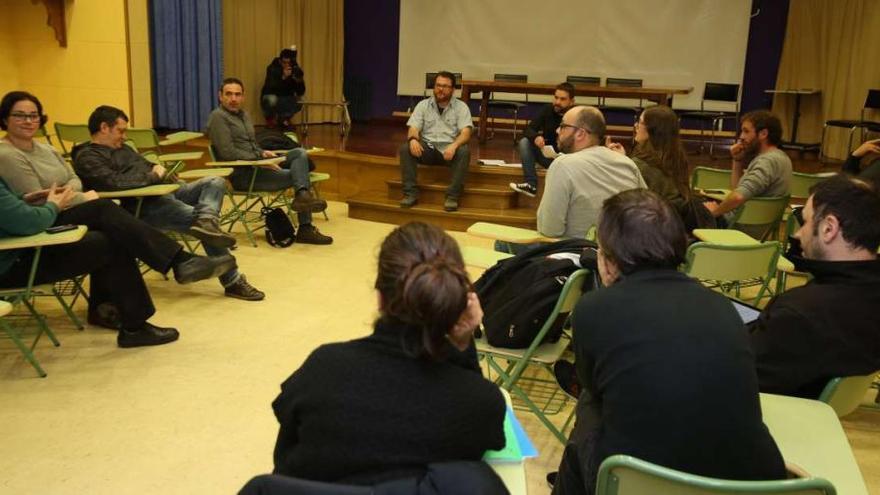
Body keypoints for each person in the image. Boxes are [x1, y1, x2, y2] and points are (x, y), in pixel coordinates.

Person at [553, 189, 785, 495]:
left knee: (588, 402)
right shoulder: (721, 307)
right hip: (747, 483)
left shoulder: (594, 309)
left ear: (608, 262)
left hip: (642, 482)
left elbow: (595, 389)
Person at [271, 222, 505, 484]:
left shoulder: (323, 368)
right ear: (458, 301)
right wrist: (462, 345)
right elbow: (482, 444)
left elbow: (284, 459)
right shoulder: (480, 401)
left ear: (380, 297)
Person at [0, 91, 236, 310]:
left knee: (210, 190)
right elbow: (38, 200)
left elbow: (73, 180)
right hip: (49, 222)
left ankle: (114, 312)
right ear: (5, 119)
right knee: (107, 212)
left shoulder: (48, 149)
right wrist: (79, 196)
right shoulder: (9, 154)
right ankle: (194, 265)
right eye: (20, 115)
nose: (29, 120)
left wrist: (68, 193)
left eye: (33, 115)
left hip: (137, 196)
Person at [72, 105, 265, 301]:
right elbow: (114, 183)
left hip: (165, 191)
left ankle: (207, 220)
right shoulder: (87, 156)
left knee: (214, 181)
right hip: (143, 205)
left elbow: (149, 167)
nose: (124, 137)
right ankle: (232, 280)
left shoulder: (125, 148)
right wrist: (153, 175)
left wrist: (155, 168)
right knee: (195, 218)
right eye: (120, 131)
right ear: (104, 128)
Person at [749, 175, 880, 399]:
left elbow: (735, 378)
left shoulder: (800, 313)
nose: (799, 234)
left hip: (774, 413)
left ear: (829, 228)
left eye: (806, 222)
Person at [206, 77, 332, 245]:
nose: (233, 99)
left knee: (298, 153)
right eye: (229, 94)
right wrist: (259, 161)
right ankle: (305, 227)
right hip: (245, 175)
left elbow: (250, 145)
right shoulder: (218, 117)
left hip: (259, 165)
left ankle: (303, 197)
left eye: (237, 94)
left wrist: (262, 152)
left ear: (243, 97)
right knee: (299, 175)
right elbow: (227, 153)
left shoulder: (244, 115)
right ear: (220, 96)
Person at [536, 106, 645, 239]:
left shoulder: (562, 165)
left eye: (563, 126)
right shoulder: (627, 163)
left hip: (575, 254)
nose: (557, 130)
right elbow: (646, 212)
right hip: (623, 253)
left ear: (580, 133)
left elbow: (549, 230)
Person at [606, 105, 713, 230]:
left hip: (651, 227)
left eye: (640, 123)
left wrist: (621, 161)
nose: (635, 126)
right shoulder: (677, 159)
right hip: (677, 227)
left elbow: (625, 198)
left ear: (652, 130)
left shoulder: (640, 165)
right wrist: (625, 160)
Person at [399, 71, 472, 212]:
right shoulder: (423, 105)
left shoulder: (461, 107)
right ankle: (410, 194)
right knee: (405, 148)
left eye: (445, 86)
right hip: (428, 149)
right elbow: (413, 127)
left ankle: (452, 197)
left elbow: (466, 133)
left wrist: (455, 145)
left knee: (464, 151)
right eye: (438, 85)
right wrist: (413, 139)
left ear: (453, 89)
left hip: (450, 151)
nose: (440, 89)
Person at [703, 110, 792, 225]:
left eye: (746, 131)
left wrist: (713, 213)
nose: (741, 137)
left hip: (737, 227)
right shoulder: (781, 157)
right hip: (754, 226)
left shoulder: (766, 162)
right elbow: (738, 189)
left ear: (763, 134)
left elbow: (738, 197)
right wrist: (737, 160)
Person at [509, 82, 575, 197]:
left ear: (572, 101)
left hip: (569, 162)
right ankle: (531, 184)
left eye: (563, 99)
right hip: (548, 157)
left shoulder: (578, 115)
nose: (557, 102)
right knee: (525, 142)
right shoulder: (547, 109)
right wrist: (536, 137)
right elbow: (528, 129)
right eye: (556, 98)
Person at [261, 47, 306, 128]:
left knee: (301, 100)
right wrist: (283, 77)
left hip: (287, 98)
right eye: (284, 62)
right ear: (279, 61)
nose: (287, 65)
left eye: (289, 63)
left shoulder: (294, 69)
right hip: (273, 96)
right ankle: (271, 119)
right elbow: (270, 88)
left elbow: (301, 92)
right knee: (270, 99)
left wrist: (299, 81)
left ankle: (284, 118)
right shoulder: (272, 68)